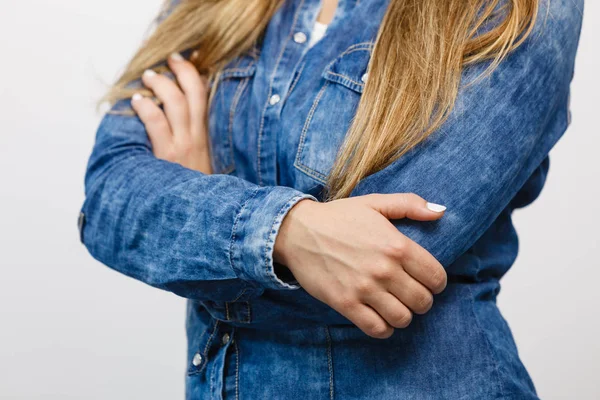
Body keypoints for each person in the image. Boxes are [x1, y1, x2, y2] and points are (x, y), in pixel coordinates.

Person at [79, 0, 584, 398]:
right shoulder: (210, 6)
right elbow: (108, 199)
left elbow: (385, 267)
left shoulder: (515, 8)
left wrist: (193, 210)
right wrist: (290, 232)